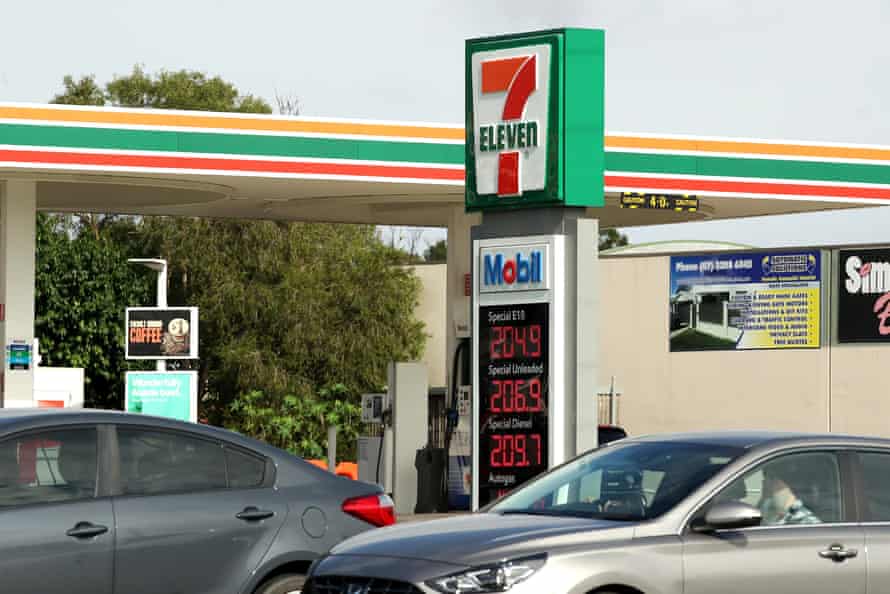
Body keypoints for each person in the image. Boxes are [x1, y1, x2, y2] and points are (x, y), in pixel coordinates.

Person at [758, 461, 820, 525]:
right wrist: (764, 498)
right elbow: (755, 522)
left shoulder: (805, 521)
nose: (766, 484)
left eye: (772, 478)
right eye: (766, 478)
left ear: (788, 483)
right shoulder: (770, 509)